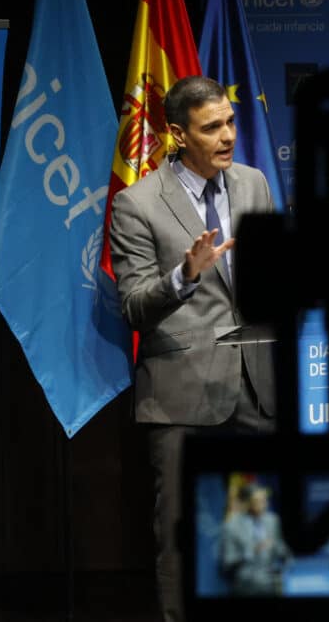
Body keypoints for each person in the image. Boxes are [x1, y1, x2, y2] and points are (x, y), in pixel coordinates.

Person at [109, 76, 277, 622]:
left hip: (257, 388)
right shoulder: (137, 204)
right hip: (182, 395)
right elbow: (133, 305)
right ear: (178, 134)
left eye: (230, 122)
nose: (227, 135)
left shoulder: (253, 184)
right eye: (212, 128)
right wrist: (182, 275)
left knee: (260, 534)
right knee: (182, 539)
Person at [219, 483, 293, 596]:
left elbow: (281, 549)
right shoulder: (232, 526)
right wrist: (252, 551)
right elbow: (228, 561)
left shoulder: (273, 521)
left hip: (271, 582)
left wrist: (286, 557)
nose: (265, 504)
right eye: (259, 501)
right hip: (245, 585)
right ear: (247, 503)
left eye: (265, 500)